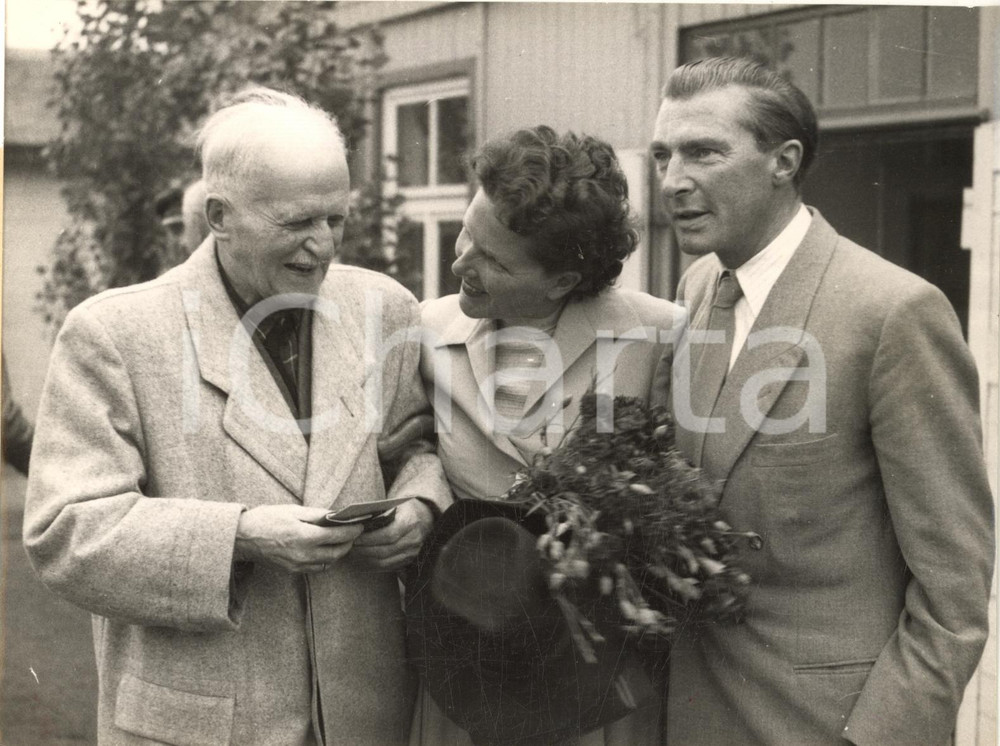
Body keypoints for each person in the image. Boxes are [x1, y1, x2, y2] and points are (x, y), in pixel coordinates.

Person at [24, 87, 451, 746]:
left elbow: (415, 448)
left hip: (366, 718)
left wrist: (420, 505)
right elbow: (66, 532)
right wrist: (242, 536)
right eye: (296, 222)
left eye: (336, 219)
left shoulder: (383, 309)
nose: (323, 246)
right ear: (219, 214)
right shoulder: (113, 333)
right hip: (199, 725)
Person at [649, 57, 994, 745]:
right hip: (693, 715)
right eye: (662, 156)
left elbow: (954, 596)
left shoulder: (891, 312)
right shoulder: (696, 289)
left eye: (703, 153)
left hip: (823, 725)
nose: (672, 181)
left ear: (785, 162)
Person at [414, 125, 685, 746]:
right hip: (469, 667)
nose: (460, 263)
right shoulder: (424, 330)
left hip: (596, 688)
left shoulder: (661, 336)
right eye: (466, 233)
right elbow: (411, 450)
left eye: (493, 260)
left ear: (562, 281)